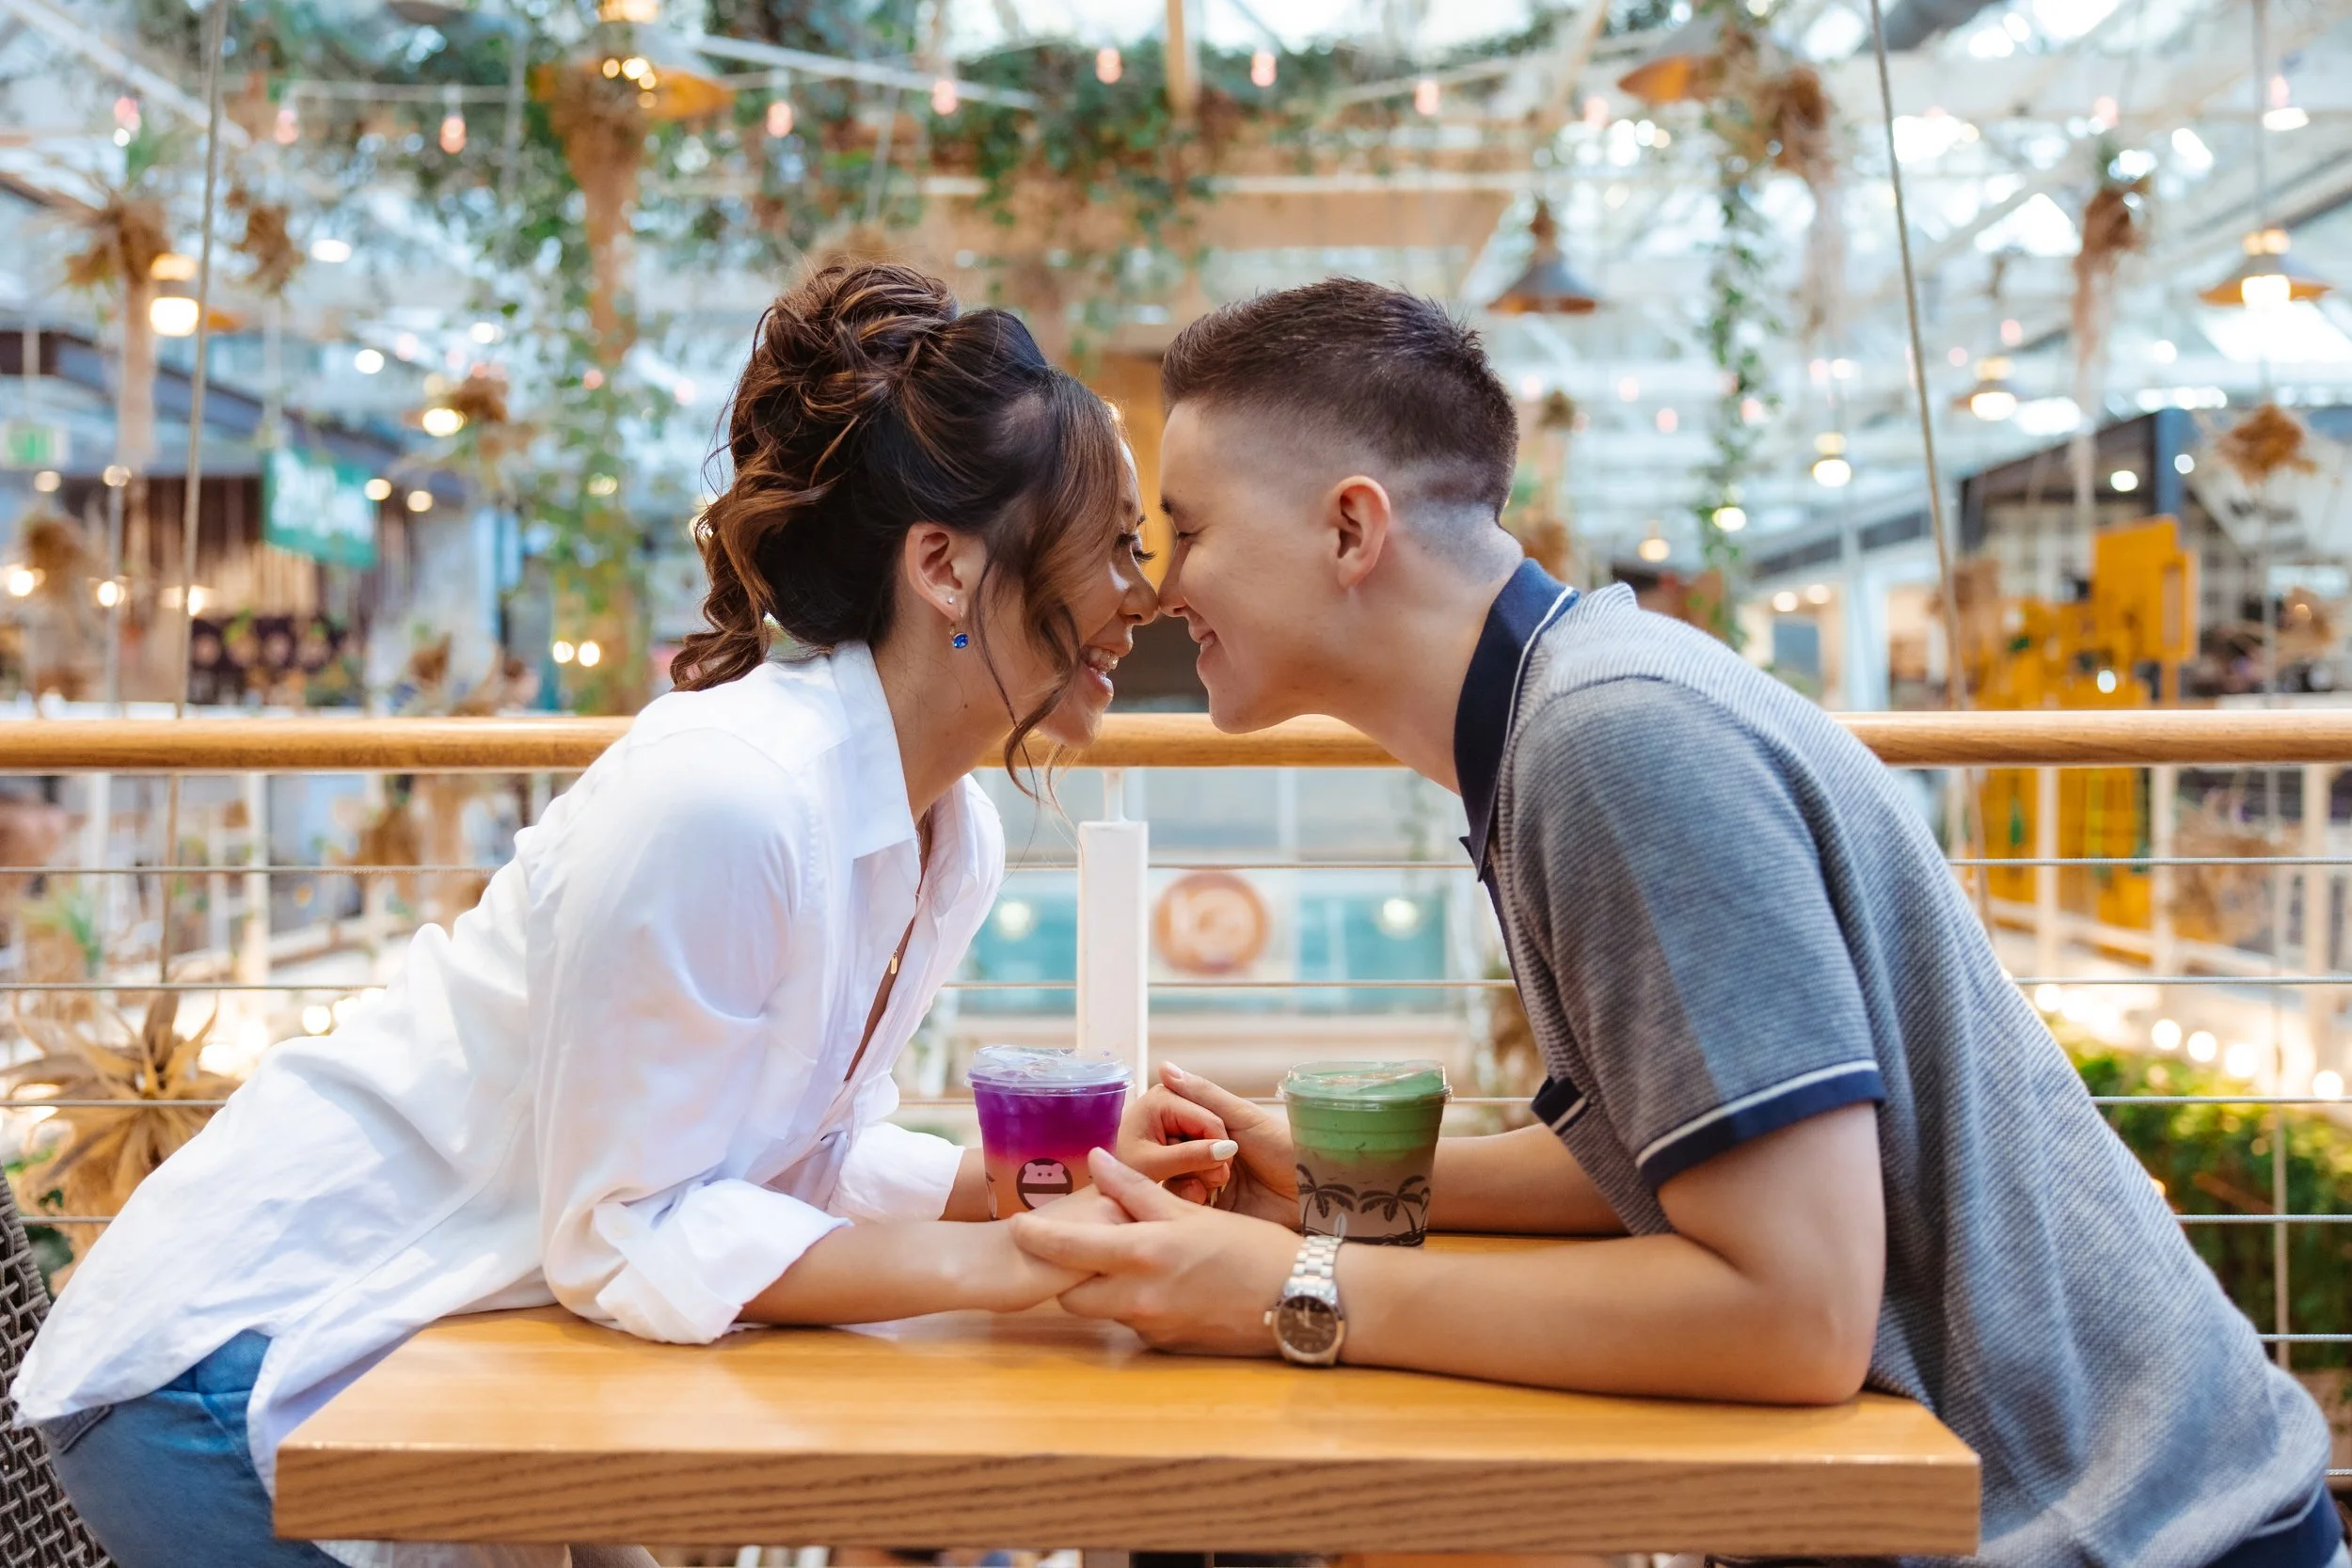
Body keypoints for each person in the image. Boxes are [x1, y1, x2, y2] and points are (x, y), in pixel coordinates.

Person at [1009, 277, 2343, 1568]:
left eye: (1190, 529)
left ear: (1352, 530)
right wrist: (1330, 1183)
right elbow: (1695, 1155)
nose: (1155, 586)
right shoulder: (1571, 708)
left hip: (2119, 1529)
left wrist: (1286, 1287)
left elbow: (1796, 1311)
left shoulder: (1612, 740)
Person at [9, 261, 1218, 1568]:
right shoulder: (731, 796)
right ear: (942, 563)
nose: (1138, 596)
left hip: (448, 1341)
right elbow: (626, 1230)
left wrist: (1029, 1188)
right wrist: (1027, 1261)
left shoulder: (945, 835)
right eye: (1116, 545)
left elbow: (789, 1161)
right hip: (241, 1365)